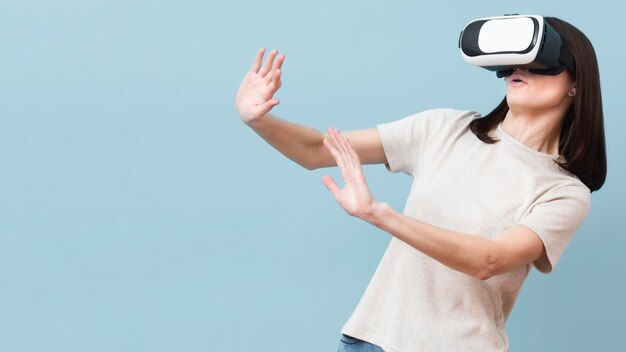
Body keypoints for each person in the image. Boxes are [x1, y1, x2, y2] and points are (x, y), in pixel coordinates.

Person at [235, 16, 606, 352]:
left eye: (538, 64)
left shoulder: (565, 193)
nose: (518, 69)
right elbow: (316, 150)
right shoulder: (446, 128)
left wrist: (379, 215)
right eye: (513, 62)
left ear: (576, 83)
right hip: (370, 340)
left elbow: (489, 260)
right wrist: (259, 120)